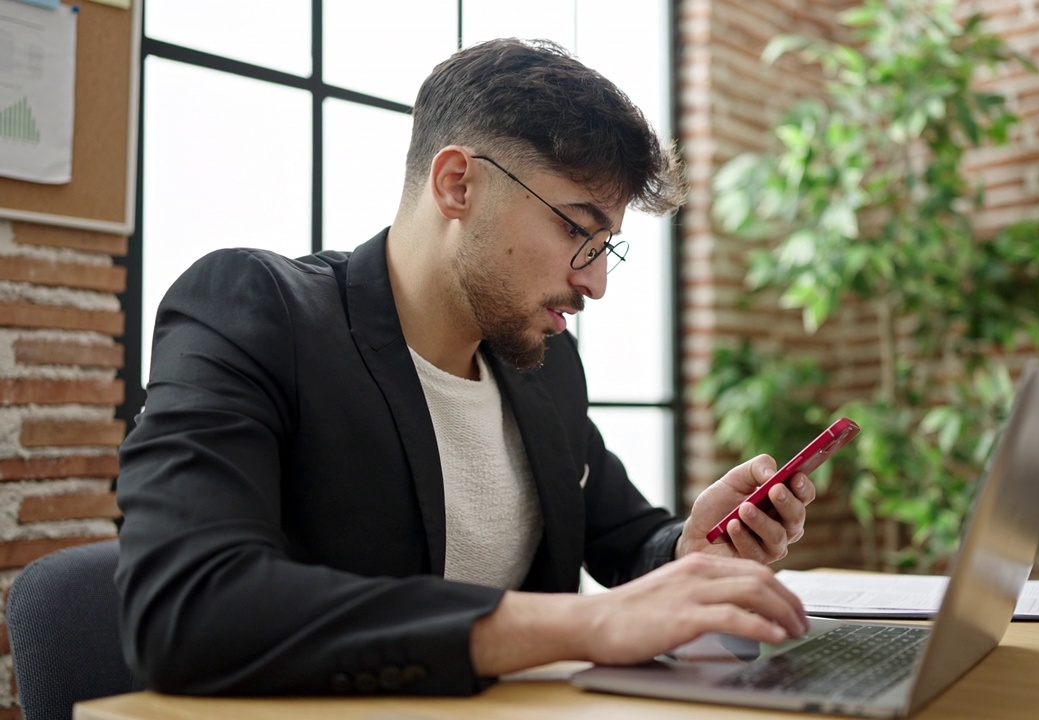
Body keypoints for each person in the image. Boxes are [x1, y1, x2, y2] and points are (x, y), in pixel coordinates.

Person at [115, 37, 815, 697]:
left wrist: (690, 551)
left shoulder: (547, 364)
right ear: (457, 184)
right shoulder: (255, 312)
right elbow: (186, 607)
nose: (596, 284)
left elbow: (627, 539)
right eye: (578, 230)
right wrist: (589, 622)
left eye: (608, 247)